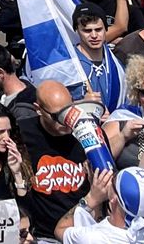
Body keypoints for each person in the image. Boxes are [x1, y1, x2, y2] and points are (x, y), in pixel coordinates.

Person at [17, 81, 90, 244]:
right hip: (42, 235)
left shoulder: (85, 131)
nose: (65, 120)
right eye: (57, 116)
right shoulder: (21, 134)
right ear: (38, 109)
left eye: (68, 111)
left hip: (82, 232)